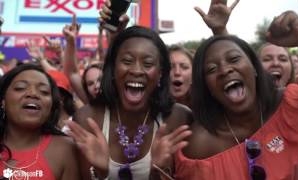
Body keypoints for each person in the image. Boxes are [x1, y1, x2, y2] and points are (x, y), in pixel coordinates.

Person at [172, 10, 298, 179]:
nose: (225, 70)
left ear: (256, 70)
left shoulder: (292, 104)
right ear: (207, 88)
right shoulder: (199, 145)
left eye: (234, 59)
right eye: (212, 69)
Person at [66, 1, 193, 179]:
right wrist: (102, 173)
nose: (136, 70)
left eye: (148, 64)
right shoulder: (88, 119)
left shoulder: (179, 118)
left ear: (161, 74)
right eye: (127, 61)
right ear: (112, 69)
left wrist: (157, 172)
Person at [0, 64, 80, 179]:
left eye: (44, 91)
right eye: (20, 88)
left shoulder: (66, 149)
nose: (33, 94)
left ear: (51, 105)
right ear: (3, 101)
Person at [63, 15, 103, 105]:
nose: (96, 86)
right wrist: (70, 41)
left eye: (101, 80)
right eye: (90, 84)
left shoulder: (124, 101)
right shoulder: (90, 101)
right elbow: (72, 73)